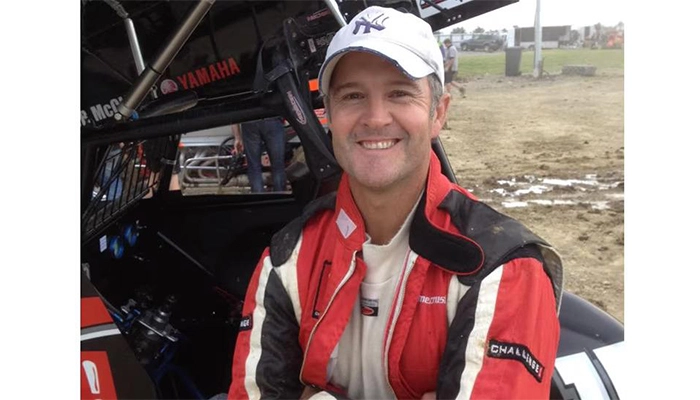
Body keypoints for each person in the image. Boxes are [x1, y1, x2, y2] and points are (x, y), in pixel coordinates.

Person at [229, 6, 562, 399]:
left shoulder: (505, 268)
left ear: (438, 113)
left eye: (399, 93)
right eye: (353, 96)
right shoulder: (286, 259)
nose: (374, 117)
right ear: (329, 115)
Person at [234, 117, 287, 192]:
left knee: (254, 167)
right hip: (272, 118)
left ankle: (259, 198)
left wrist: (237, 137)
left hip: (249, 120)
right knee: (278, 166)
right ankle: (280, 198)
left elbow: (234, 110)